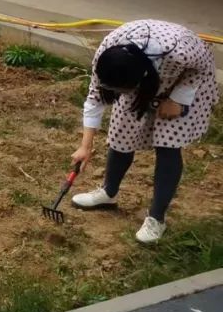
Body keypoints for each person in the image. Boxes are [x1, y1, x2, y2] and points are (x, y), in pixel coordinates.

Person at [70, 20, 218, 244]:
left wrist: (178, 98)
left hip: (184, 80)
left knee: (168, 144)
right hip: (139, 74)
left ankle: (156, 218)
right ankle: (109, 193)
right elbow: (94, 99)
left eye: (123, 91)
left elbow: (203, 66)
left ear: (140, 81)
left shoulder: (180, 53)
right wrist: (85, 146)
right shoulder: (109, 54)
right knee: (121, 136)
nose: (118, 95)